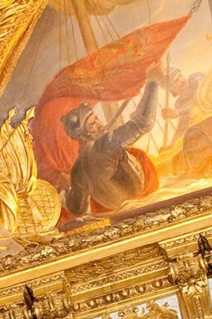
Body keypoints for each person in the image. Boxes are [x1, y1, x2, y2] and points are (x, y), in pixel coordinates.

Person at [62, 79, 161, 217]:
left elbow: (77, 208)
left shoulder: (77, 169)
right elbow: (144, 122)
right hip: (144, 199)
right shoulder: (105, 145)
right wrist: (152, 82)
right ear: (83, 136)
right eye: (92, 125)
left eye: (96, 118)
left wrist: (64, 196)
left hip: (115, 212)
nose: (100, 124)